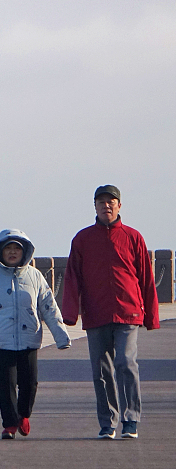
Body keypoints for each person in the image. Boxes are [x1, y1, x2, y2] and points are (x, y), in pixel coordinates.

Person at [62, 184, 159, 439]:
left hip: (128, 313)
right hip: (96, 314)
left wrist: (151, 315)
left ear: (119, 206)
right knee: (101, 371)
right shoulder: (82, 239)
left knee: (126, 363)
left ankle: (131, 419)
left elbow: (146, 278)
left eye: (111, 201)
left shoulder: (133, 237)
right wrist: (70, 314)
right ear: (94, 206)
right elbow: (72, 278)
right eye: (101, 202)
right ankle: (108, 422)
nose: (106, 206)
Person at [0, 229, 71, 439]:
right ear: (0, 252)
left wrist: (61, 336)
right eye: (8, 248)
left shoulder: (35, 276)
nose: (13, 252)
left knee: (29, 382)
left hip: (29, 338)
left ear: (25, 251)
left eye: (17, 248)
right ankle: (9, 424)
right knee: (5, 384)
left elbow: (48, 307)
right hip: (1, 340)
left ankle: (23, 414)